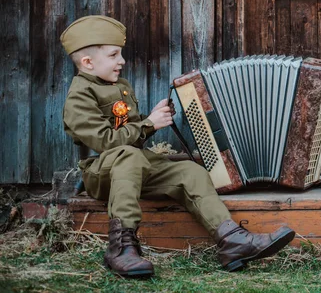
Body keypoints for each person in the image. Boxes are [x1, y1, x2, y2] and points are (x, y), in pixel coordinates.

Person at [60, 15, 295, 278]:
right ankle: (121, 247)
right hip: (103, 175)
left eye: (120, 55)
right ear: (88, 63)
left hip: (134, 167)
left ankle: (233, 241)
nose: (121, 61)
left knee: (189, 171)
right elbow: (106, 142)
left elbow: (132, 136)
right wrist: (149, 124)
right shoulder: (80, 95)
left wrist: (152, 119)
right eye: (114, 55)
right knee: (127, 154)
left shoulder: (120, 86)